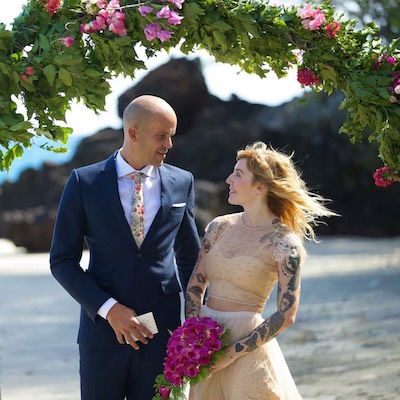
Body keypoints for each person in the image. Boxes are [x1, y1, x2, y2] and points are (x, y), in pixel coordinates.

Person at [50, 95, 201, 400]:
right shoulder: (84, 182)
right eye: (162, 136)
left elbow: (190, 258)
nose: (169, 144)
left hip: (163, 334)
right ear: (133, 133)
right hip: (102, 336)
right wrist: (109, 309)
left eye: (171, 135)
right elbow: (62, 260)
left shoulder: (182, 181)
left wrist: (199, 319)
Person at [185, 141, 337, 400]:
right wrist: (192, 334)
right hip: (206, 342)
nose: (228, 179)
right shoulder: (218, 227)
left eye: (238, 174)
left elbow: (286, 314)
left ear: (260, 186)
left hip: (247, 347)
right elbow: (196, 285)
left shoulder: (285, 243)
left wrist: (229, 355)